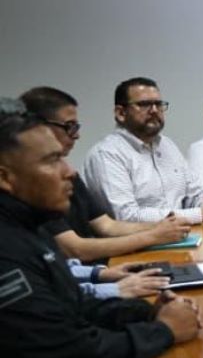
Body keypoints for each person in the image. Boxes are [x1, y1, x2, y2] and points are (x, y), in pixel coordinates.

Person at [0, 97, 201, 358]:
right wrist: (163, 333)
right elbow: (69, 356)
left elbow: (77, 305)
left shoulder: (26, 227)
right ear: (5, 177)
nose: (69, 171)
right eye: (52, 160)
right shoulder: (6, 250)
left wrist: (146, 314)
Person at [19, 86, 191, 263]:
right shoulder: (32, 183)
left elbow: (107, 226)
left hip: (98, 270)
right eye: (69, 126)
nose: (77, 135)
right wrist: (153, 236)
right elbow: (74, 249)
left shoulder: (69, 174)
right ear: (38, 128)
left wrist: (163, 227)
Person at [83, 77, 203, 224]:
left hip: (184, 235)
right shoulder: (107, 154)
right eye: (144, 104)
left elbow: (192, 193)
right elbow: (126, 216)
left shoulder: (167, 145)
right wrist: (199, 215)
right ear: (121, 113)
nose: (154, 110)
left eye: (158, 104)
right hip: (140, 240)